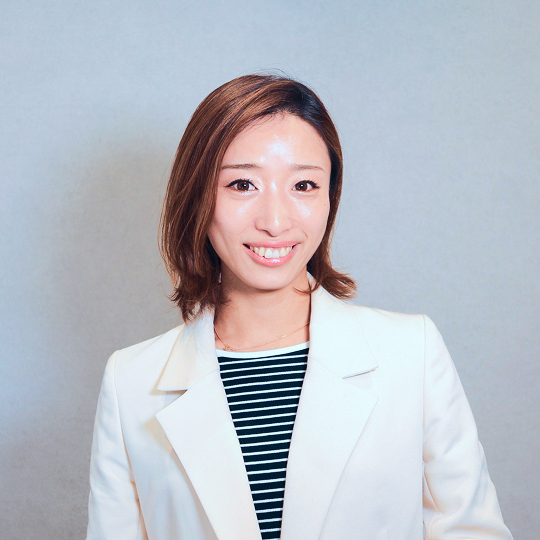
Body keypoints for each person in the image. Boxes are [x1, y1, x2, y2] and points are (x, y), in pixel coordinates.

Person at [86, 74, 513, 540]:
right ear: (198, 197)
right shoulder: (131, 382)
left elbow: (472, 531)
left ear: (331, 197)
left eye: (304, 185)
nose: (275, 221)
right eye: (242, 184)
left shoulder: (412, 353)